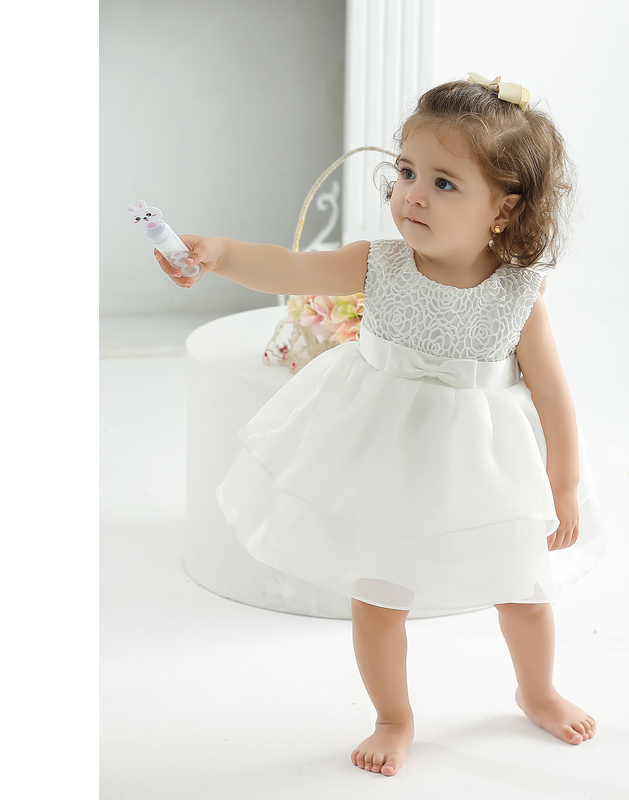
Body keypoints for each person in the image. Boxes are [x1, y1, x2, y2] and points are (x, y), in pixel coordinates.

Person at [155, 73, 606, 777]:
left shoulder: (519, 292)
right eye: (405, 171)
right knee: (378, 601)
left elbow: (553, 394)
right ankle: (393, 716)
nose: (412, 195)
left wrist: (565, 485)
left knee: (523, 593)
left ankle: (537, 690)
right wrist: (220, 253)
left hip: (483, 467)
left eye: (444, 183)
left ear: (505, 207)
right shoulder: (381, 264)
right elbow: (290, 268)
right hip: (386, 461)